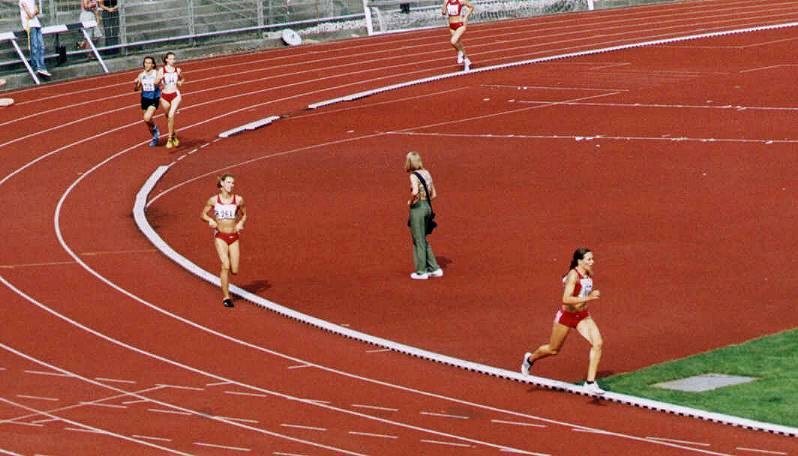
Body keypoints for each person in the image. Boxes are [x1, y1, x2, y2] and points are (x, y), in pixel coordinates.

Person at [521, 247, 605, 396]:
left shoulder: (588, 273)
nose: (592, 262)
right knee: (553, 349)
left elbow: (582, 292)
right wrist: (589, 297)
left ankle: (590, 383)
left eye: (593, 259)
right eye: (589, 259)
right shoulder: (574, 275)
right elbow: (566, 299)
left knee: (598, 343)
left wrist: (589, 295)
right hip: (566, 317)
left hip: (583, 316)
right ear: (580, 261)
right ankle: (530, 359)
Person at [201, 174, 247, 308]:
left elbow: (245, 214)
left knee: (235, 269)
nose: (231, 185)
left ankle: (228, 281)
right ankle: (226, 297)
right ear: (222, 184)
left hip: (233, 236)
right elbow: (202, 214)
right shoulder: (214, 200)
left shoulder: (238, 200)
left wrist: (240, 223)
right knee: (225, 265)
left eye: (233, 183)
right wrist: (210, 220)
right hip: (220, 235)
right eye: (228, 182)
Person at [405, 151, 443, 280]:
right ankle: (434, 268)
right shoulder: (427, 173)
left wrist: (411, 201)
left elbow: (415, 191)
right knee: (423, 238)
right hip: (427, 207)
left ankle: (421, 271)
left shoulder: (413, 176)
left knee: (418, 239)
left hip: (418, 209)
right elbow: (434, 195)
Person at [156, 51, 184, 149]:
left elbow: (181, 80)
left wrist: (180, 80)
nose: (173, 60)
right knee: (168, 117)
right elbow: (156, 83)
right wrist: (159, 79)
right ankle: (174, 135)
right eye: (171, 58)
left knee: (171, 114)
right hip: (164, 96)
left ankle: (169, 138)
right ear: (166, 60)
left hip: (175, 94)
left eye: (174, 59)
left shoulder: (178, 69)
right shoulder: (161, 70)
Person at [19, 0, 51, 78]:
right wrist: (34, 12)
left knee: (41, 46)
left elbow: (36, 11)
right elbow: (30, 15)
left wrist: (34, 12)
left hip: (36, 24)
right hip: (29, 25)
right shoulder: (22, 1)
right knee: (35, 46)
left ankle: (42, 66)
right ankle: (36, 67)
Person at [134, 56, 160, 147]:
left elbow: (160, 84)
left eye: (149, 63)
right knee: (147, 121)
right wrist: (136, 83)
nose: (147, 64)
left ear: (153, 65)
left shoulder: (156, 73)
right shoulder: (141, 75)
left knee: (147, 118)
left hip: (154, 98)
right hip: (144, 99)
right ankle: (154, 137)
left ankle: (156, 129)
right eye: (145, 63)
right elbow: (136, 89)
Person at [441, 0, 474, 72]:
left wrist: (465, 17)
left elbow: (471, 7)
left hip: (460, 24)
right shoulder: (447, 1)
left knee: (453, 41)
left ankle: (460, 53)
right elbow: (443, 13)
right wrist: (444, 4)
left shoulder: (460, 1)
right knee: (459, 44)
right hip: (451, 26)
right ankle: (466, 62)